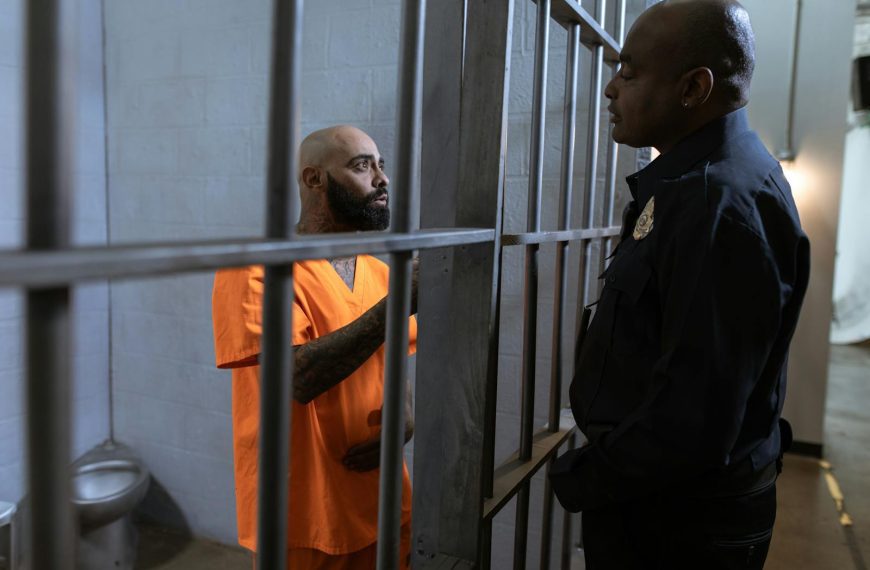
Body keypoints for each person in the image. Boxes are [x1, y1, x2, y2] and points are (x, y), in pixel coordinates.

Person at [549, 1, 810, 568]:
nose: (611, 89)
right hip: (666, 503)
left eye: (629, 71)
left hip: (675, 522)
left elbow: (696, 414)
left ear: (693, 88)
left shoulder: (716, 200)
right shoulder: (698, 182)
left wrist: (584, 476)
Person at [212, 125, 417, 569]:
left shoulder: (379, 273)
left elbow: (392, 355)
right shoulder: (256, 267)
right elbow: (297, 377)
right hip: (307, 513)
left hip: (383, 497)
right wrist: (401, 303)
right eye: (362, 166)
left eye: (382, 165)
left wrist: (403, 413)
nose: (382, 179)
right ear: (313, 180)